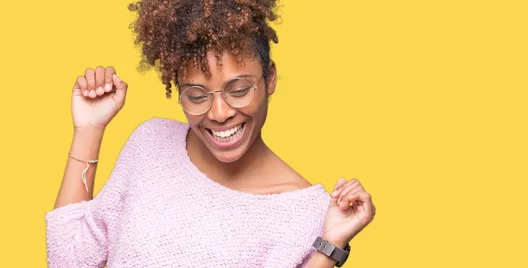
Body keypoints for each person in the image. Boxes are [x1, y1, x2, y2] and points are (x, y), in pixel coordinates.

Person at [45, 0, 375, 267]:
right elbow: (67, 260)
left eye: (239, 89)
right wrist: (89, 129)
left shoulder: (311, 214)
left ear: (269, 78)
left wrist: (331, 246)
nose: (219, 114)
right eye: (197, 95)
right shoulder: (151, 144)